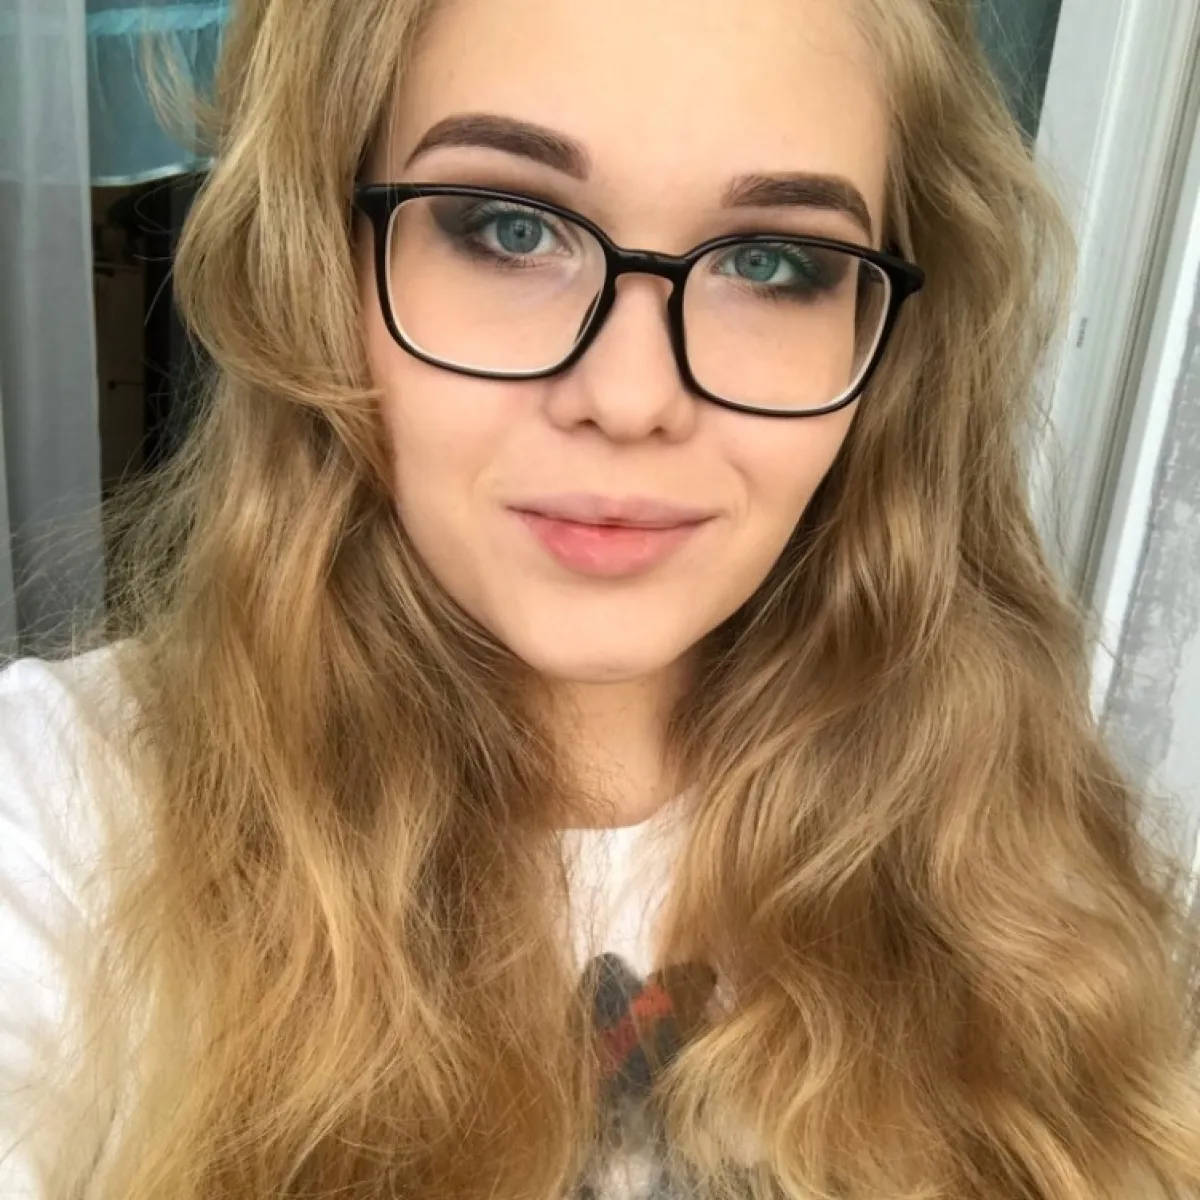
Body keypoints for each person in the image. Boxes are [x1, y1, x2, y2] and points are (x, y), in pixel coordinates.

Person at [2, 0, 1199, 1196]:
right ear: (321, 268)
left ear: (885, 346)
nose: (630, 398)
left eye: (770, 261)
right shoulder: (65, 813)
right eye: (510, 226)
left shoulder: (1014, 839)